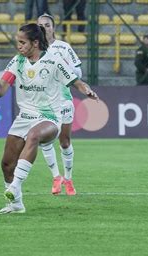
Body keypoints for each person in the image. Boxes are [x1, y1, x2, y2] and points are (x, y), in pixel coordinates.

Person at [0, 24, 98, 214]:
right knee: (6, 165)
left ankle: (14, 187)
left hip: (49, 117)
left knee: (34, 135)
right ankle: (16, 205)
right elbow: (1, 91)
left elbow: (76, 82)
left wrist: (87, 90)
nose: (18, 46)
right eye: (17, 42)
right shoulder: (17, 61)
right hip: (24, 117)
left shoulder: (54, 61)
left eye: (22, 42)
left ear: (35, 43)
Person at [37, 14, 83, 195]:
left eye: (47, 25)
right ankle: (56, 177)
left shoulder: (63, 47)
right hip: (43, 101)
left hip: (63, 99)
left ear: (53, 28)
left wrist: (65, 66)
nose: (44, 28)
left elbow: (78, 71)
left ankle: (68, 178)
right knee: (45, 141)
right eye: (40, 25)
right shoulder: (34, 49)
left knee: (64, 141)